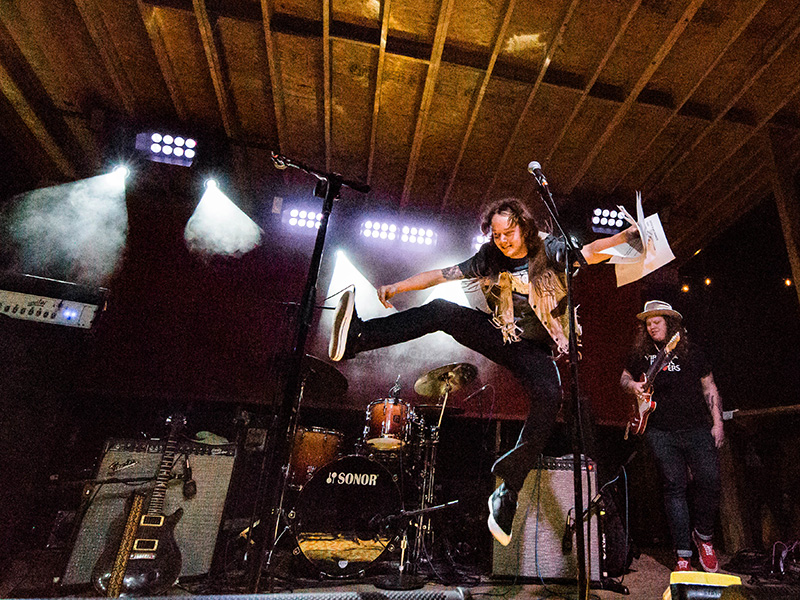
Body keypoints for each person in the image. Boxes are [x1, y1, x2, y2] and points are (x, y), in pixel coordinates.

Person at [328, 197, 639, 546]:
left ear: (524, 227)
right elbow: (442, 274)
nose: (503, 240)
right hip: (503, 334)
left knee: (550, 395)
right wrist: (398, 287)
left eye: (509, 233)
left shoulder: (549, 248)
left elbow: (590, 252)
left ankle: (507, 491)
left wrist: (623, 237)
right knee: (442, 310)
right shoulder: (489, 256)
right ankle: (359, 337)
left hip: (535, 349)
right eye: (496, 234)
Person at [620, 300, 724, 572]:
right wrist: (633, 386)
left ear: (670, 323)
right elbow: (624, 378)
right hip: (660, 431)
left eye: (657, 321)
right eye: (648, 323)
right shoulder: (641, 354)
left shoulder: (691, 351)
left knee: (710, 480)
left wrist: (718, 422)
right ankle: (683, 553)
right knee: (674, 487)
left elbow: (709, 387)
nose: (652, 326)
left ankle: (703, 536)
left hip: (696, 427)